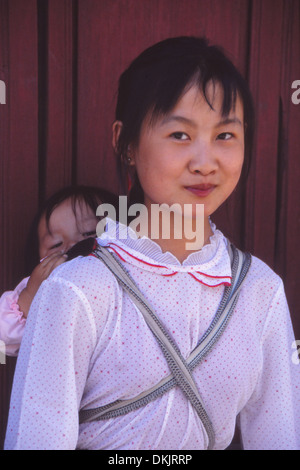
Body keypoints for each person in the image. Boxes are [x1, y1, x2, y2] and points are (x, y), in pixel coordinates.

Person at [4, 37, 299, 450]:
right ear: (125, 144)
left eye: (226, 135)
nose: (205, 161)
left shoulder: (260, 293)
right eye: (180, 134)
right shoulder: (78, 290)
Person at [0, 185, 118, 356]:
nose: (72, 246)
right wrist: (31, 296)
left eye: (88, 233)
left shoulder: (130, 275)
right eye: (55, 245)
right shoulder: (44, 286)